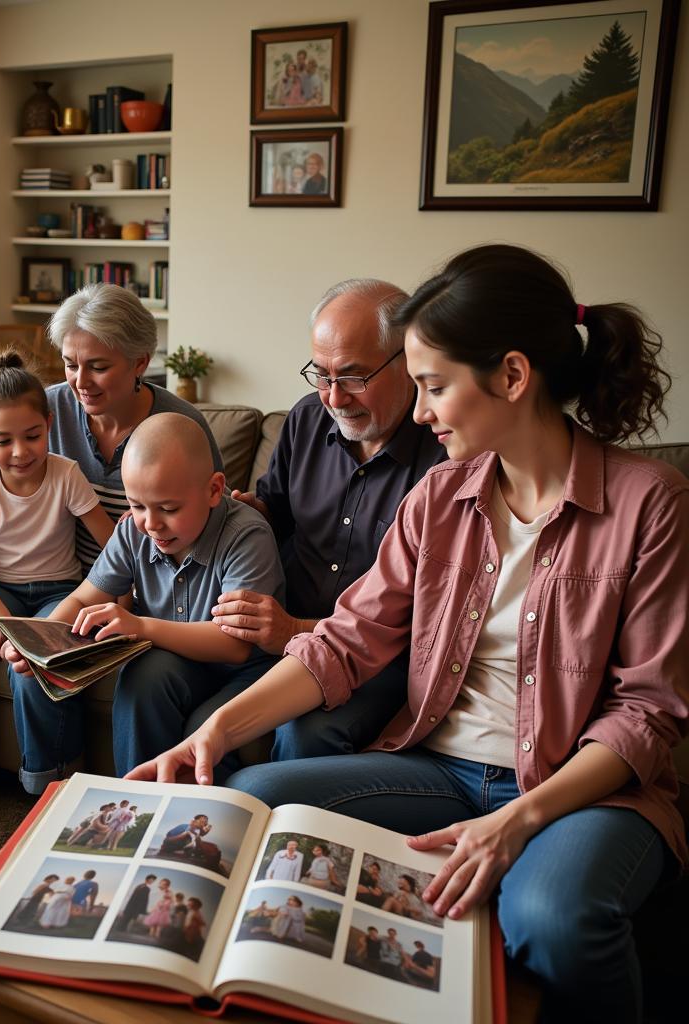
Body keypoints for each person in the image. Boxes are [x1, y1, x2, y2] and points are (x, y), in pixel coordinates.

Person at [130, 243, 688, 1022]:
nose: (421, 412)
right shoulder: (440, 495)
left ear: (513, 377)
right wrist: (217, 732)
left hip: (584, 795)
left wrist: (517, 821)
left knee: (554, 923)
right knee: (253, 802)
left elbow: (649, 713)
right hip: (442, 771)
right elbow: (345, 641)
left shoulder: (650, 502)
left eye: (432, 386)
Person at [211, 279, 443, 761]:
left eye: (353, 377)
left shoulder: (445, 457)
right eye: (321, 375)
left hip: (381, 659)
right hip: (280, 633)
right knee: (186, 707)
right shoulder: (306, 420)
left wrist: (296, 628)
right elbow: (274, 514)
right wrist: (238, 515)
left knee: (304, 733)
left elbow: (428, 621)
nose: (334, 398)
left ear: (407, 363)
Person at [7, 413, 284, 779]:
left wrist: (139, 626)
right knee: (145, 676)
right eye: (137, 505)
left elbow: (232, 646)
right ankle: (136, 797)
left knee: (203, 725)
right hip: (176, 665)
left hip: (246, 671)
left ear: (214, 490)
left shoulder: (247, 536)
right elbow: (83, 598)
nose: (150, 523)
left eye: (168, 509)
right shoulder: (133, 532)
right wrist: (39, 640)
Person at [0, 351, 115, 834]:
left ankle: (48, 790)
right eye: (3, 440)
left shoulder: (65, 473)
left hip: (59, 590)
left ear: (50, 425)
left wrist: (115, 595)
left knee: (36, 660)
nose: (20, 451)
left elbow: (113, 544)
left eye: (32, 436)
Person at [44, 283, 223, 572]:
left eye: (98, 367)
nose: (80, 382)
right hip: (64, 582)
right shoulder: (47, 412)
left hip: (154, 587)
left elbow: (214, 518)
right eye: (71, 365)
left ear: (140, 362)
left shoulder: (182, 424)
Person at [159, 813, 223, 872]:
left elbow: (201, 834)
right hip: (172, 845)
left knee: (212, 847)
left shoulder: (197, 830)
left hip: (185, 847)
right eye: (201, 821)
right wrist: (183, 835)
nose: (203, 824)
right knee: (196, 840)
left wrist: (207, 830)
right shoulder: (186, 827)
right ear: (194, 821)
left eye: (205, 823)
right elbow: (167, 839)